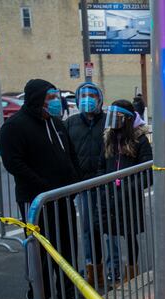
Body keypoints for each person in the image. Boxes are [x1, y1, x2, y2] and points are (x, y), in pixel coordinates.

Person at [0, 79, 81, 299]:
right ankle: (37, 292)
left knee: (66, 245)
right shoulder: (15, 127)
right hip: (35, 200)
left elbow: (70, 155)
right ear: (37, 100)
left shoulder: (56, 123)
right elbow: (14, 163)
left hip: (63, 197)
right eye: (51, 98)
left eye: (56, 97)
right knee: (39, 248)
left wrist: (74, 182)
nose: (55, 102)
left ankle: (66, 288)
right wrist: (43, 186)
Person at [65, 82, 116, 285]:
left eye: (92, 95)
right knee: (87, 227)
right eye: (83, 95)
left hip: (105, 183)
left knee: (110, 227)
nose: (87, 99)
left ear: (99, 99)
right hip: (83, 185)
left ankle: (114, 267)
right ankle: (92, 267)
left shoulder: (108, 122)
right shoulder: (70, 123)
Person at [101, 100, 153, 281]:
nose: (113, 122)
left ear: (128, 120)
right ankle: (113, 270)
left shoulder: (140, 140)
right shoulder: (109, 137)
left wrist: (128, 187)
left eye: (118, 118)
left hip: (129, 198)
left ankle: (131, 274)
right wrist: (103, 186)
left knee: (130, 236)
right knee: (110, 235)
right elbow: (103, 165)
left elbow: (147, 173)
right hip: (110, 196)